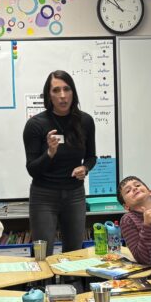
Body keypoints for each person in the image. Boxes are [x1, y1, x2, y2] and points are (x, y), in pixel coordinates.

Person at [23, 70, 97, 252]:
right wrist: (49, 153)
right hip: (44, 196)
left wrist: (85, 168)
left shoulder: (85, 121)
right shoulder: (36, 124)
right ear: (49, 95)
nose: (62, 96)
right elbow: (32, 169)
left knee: (74, 253)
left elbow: (91, 157)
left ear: (73, 92)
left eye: (66, 89)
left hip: (75, 195)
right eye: (56, 90)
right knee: (43, 253)